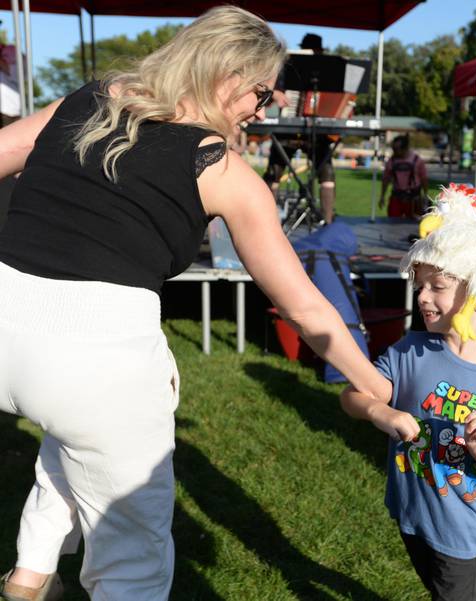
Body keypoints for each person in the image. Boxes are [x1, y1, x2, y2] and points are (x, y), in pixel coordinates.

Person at [0, 7, 388, 600]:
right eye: (261, 93)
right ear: (227, 76)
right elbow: (307, 310)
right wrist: (377, 386)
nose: (262, 110)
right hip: (98, 358)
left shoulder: (89, 98)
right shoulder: (224, 172)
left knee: (75, 434)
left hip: (7, 324)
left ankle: (30, 575)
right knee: (133, 557)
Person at [340, 184, 476, 601]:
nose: (422, 295)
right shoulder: (410, 351)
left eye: (437, 286)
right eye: (420, 283)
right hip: (410, 513)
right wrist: (383, 414)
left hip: (460, 530)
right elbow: (352, 397)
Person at [263, 32, 337, 224]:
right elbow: (267, 88)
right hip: (289, 126)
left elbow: (335, 99)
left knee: (327, 172)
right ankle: (266, 222)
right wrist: (277, 94)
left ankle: (327, 222)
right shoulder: (286, 66)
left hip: (317, 130)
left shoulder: (329, 71)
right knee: (274, 172)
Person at [379, 134, 429, 219]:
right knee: (392, 222)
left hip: (413, 198)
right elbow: (386, 179)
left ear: (405, 149)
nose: (394, 152)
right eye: (393, 149)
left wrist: (425, 195)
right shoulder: (392, 161)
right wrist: (382, 196)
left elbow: (423, 178)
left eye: (396, 149)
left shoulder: (417, 161)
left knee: (413, 224)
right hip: (396, 197)